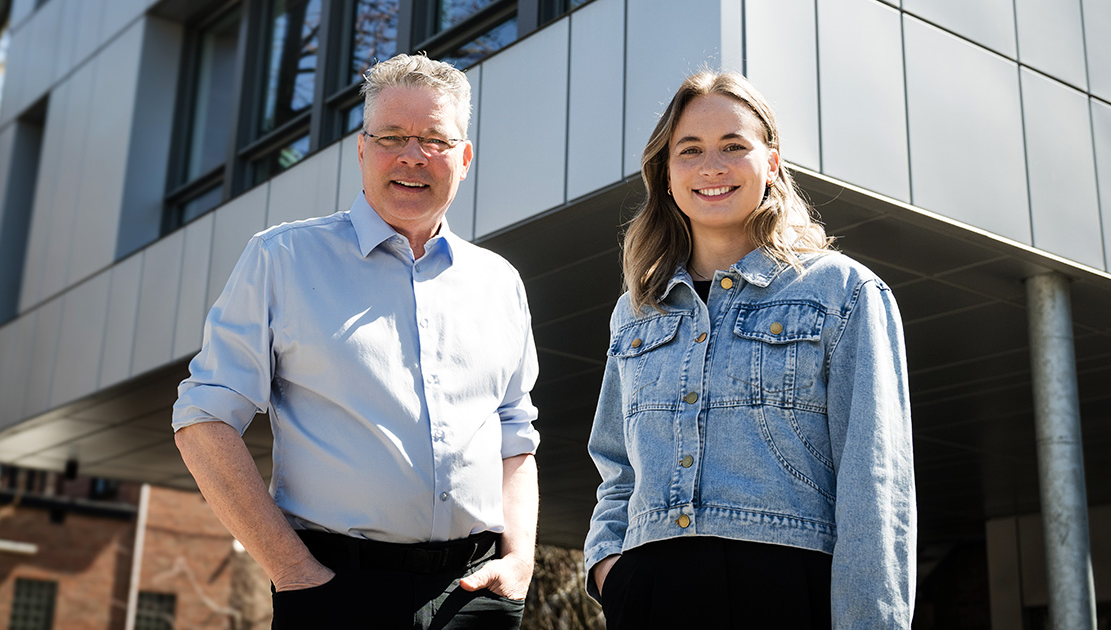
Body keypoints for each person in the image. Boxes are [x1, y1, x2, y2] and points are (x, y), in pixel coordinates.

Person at [172, 53, 540, 629]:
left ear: (464, 159)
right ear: (362, 150)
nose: (412, 156)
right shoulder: (281, 259)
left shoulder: (500, 281)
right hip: (335, 593)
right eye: (391, 136)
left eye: (434, 140)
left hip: (476, 598)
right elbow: (203, 419)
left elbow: (515, 430)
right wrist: (293, 569)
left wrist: (519, 561)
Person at [583, 71, 916, 628]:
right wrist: (609, 569)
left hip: (786, 590)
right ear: (666, 174)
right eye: (690, 150)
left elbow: (875, 482)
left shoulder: (844, 292)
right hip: (649, 592)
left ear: (773, 162)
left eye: (734, 146)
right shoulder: (636, 310)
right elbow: (616, 465)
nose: (711, 167)